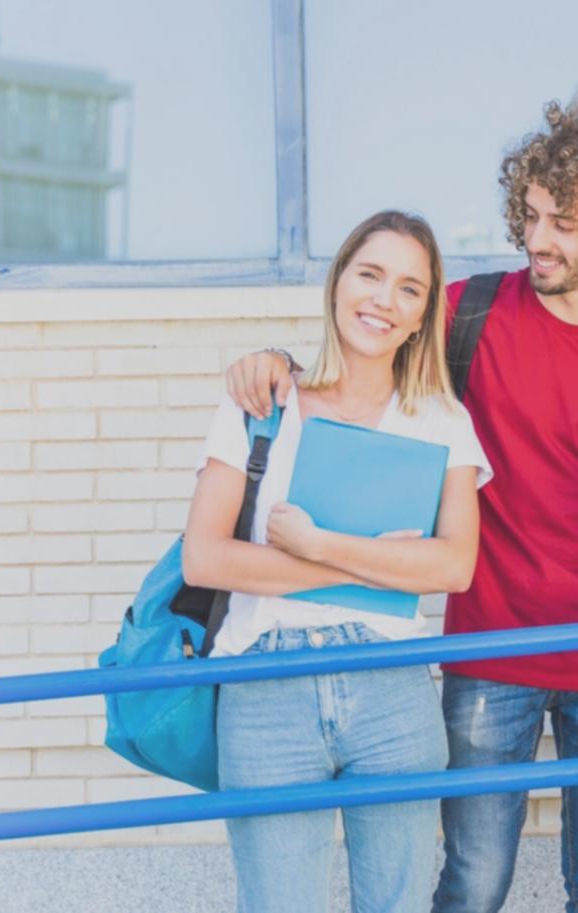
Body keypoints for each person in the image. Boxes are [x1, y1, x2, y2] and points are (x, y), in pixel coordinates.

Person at [223, 84, 578, 913]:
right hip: (487, 653)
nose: (536, 237)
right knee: (472, 884)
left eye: (564, 222)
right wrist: (278, 360)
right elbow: (366, 346)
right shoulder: (465, 314)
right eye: (532, 214)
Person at [183, 210, 492, 913]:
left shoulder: (440, 418)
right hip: (266, 686)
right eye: (371, 274)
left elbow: (453, 567)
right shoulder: (260, 403)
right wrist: (371, 566)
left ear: (422, 317)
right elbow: (205, 557)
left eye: (409, 289)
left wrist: (319, 545)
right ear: (336, 283)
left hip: (391, 690)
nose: (384, 299)